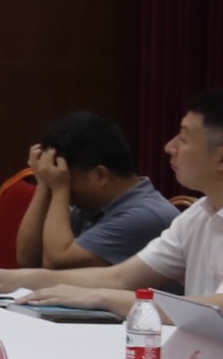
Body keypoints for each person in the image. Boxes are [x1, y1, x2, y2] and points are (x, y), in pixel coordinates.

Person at [0, 89, 223, 323]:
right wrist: (15, 279)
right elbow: (119, 278)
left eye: (183, 139)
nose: (169, 147)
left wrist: (99, 297)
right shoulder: (199, 214)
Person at [12, 110, 177, 272]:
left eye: (66, 179)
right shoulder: (93, 206)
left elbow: (57, 264)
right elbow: (27, 259)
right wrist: (44, 184)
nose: (64, 188)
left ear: (100, 175)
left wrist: (59, 188)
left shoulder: (144, 215)